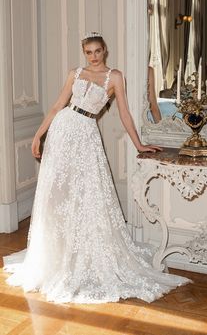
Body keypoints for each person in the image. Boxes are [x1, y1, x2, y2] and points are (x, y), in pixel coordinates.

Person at [3, 32, 190, 304]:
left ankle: (84, 252)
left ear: (105, 51)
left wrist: (139, 145)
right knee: (59, 193)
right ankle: (58, 250)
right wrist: (37, 135)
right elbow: (57, 106)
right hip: (63, 130)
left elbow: (124, 112)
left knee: (89, 193)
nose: (93, 57)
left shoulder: (114, 77)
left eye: (97, 51)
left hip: (87, 133)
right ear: (84, 53)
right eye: (88, 52)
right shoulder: (74, 74)